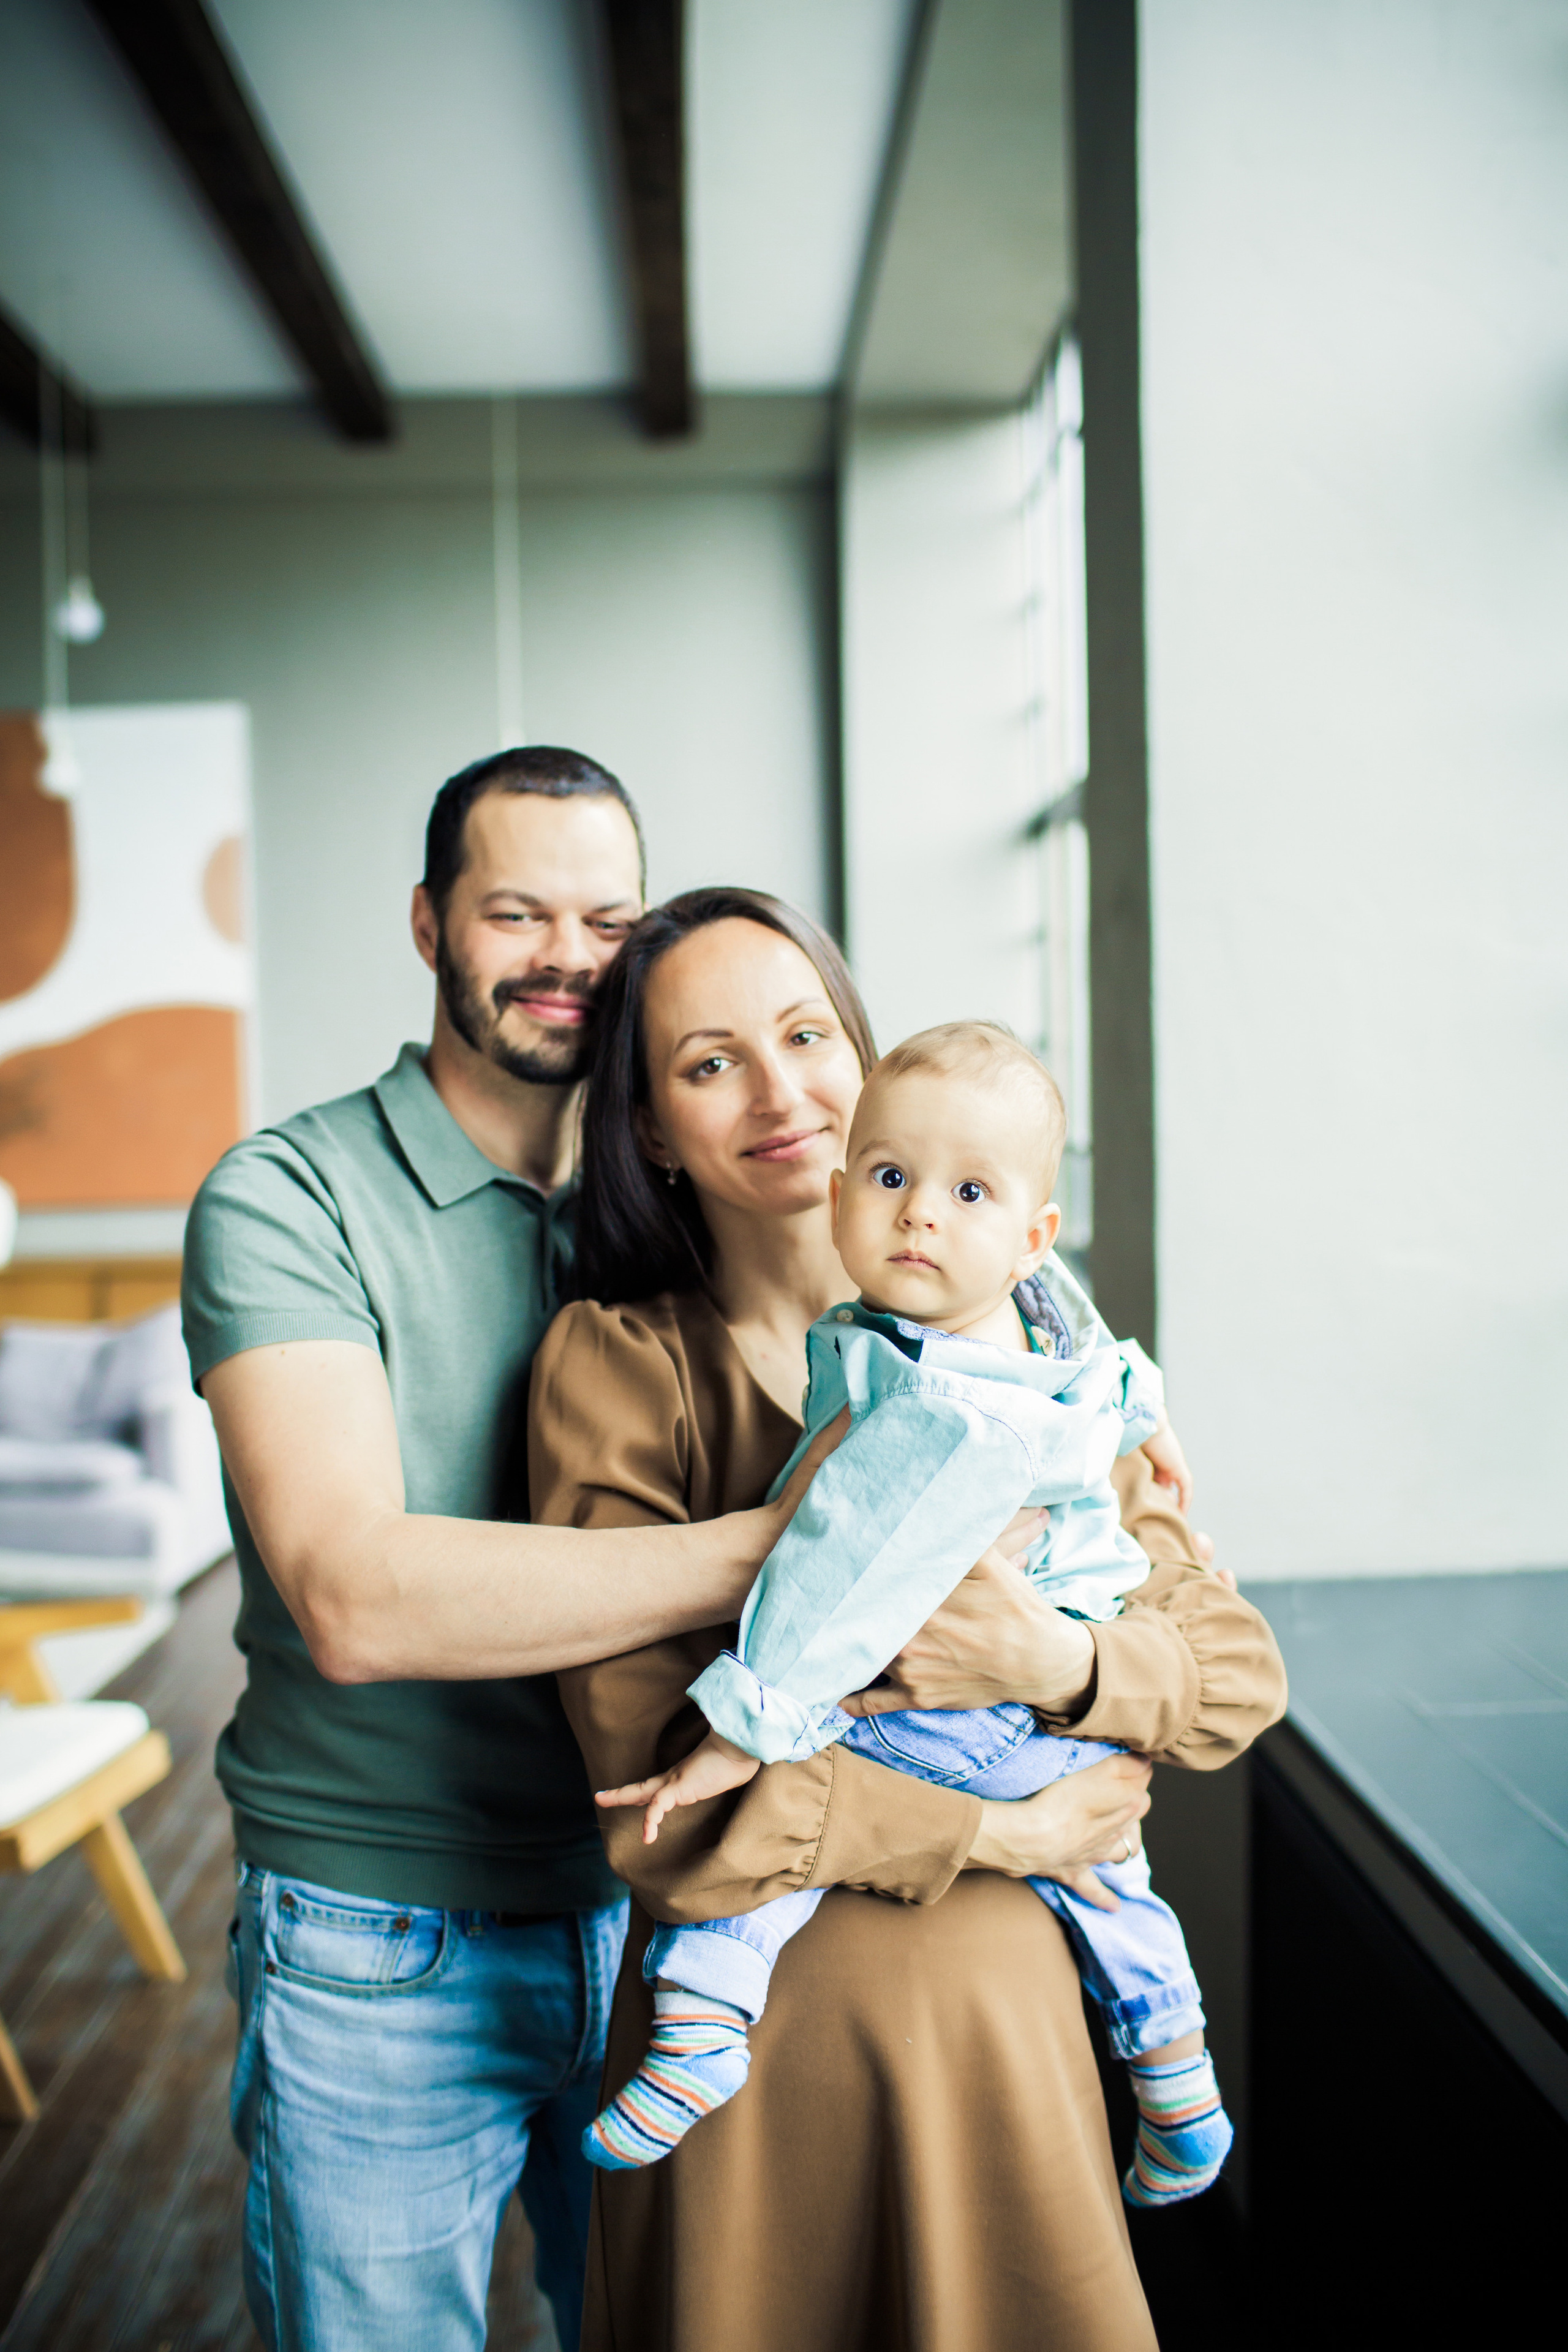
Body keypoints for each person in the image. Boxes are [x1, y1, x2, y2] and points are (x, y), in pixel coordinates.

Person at [528, 886, 1288, 2352]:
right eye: (706, 1063)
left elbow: (1230, 1680)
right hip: (751, 2081)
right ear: (642, 1129)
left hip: (1007, 2046)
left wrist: (1049, 1663)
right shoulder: (620, 1367)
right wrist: (1001, 1832)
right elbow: (655, 1807)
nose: (778, 1091)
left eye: (808, 1033)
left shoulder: (1045, 1349)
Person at [182, 750, 831, 2352]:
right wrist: (795, 1550)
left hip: (680, 1913)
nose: (568, 957)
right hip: (383, 1933)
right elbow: (354, 1595)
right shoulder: (291, 1197)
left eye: (609, 917)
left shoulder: (684, 1193)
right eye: (516, 912)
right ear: (429, 925)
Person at [585, 1019, 1232, 2209]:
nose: (919, 1214)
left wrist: (744, 1729)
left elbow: (844, 1573)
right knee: (1107, 1878)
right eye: (889, 1180)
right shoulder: (1004, 1331)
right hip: (1045, 1722)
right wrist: (1147, 1416)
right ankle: (1177, 2077)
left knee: (787, 1805)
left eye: (966, 1192)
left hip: (973, 1705)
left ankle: (699, 2025)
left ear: (1029, 1238)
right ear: (840, 1197)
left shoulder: (939, 1400)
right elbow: (1111, 1372)